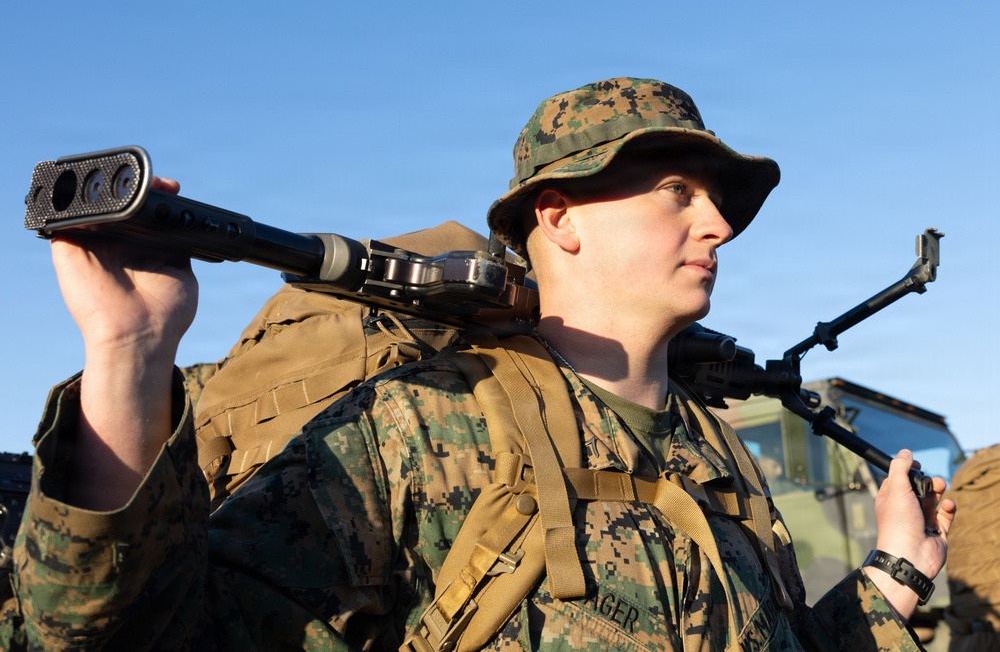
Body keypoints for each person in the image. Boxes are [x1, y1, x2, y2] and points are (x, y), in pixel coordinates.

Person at [3, 77, 955, 651]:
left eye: (718, 203)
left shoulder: (718, 456)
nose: (715, 225)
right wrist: (129, 352)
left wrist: (891, 576)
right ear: (559, 215)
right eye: (676, 191)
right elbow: (139, 636)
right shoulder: (422, 424)